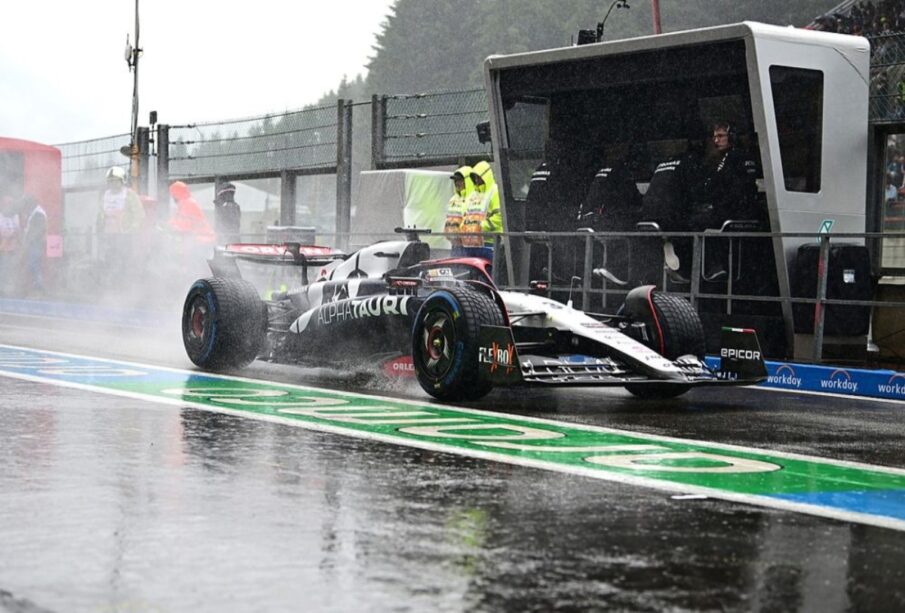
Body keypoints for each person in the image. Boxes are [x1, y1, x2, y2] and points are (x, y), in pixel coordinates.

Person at [96, 166, 145, 288]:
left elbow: (139, 215)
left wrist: (131, 229)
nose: (113, 183)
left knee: (124, 260)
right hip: (109, 235)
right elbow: (100, 214)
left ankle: (125, 285)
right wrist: (100, 230)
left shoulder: (129, 195)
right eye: (110, 181)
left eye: (115, 180)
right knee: (109, 259)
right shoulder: (105, 196)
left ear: (122, 181)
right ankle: (111, 285)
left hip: (125, 235)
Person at [460, 161, 501, 260]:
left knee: (490, 273)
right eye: (475, 177)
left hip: (489, 244)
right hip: (471, 244)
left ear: (485, 176)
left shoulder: (495, 191)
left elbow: (500, 216)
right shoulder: (473, 195)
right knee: (472, 273)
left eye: (479, 177)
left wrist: (481, 227)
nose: (477, 180)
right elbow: (466, 215)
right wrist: (463, 227)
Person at [18, 195, 47, 296]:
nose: (26, 207)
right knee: (33, 264)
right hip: (33, 243)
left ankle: (39, 287)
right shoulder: (35, 213)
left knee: (34, 265)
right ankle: (36, 287)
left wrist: (28, 241)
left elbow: (37, 231)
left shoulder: (38, 214)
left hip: (35, 244)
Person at [444, 166, 473, 255]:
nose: (457, 183)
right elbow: (448, 218)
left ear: (468, 181)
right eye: (455, 181)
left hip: (469, 246)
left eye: (460, 180)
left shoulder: (473, 198)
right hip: (454, 245)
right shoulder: (453, 199)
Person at [0, 196, 21, 296]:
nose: (9, 206)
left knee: (12, 268)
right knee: (3, 268)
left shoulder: (15, 216)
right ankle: (2, 289)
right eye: (7, 204)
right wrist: (10, 234)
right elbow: (2, 233)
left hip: (14, 248)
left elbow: (18, 231)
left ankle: (12, 290)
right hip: (3, 248)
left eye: (10, 204)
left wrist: (11, 234)